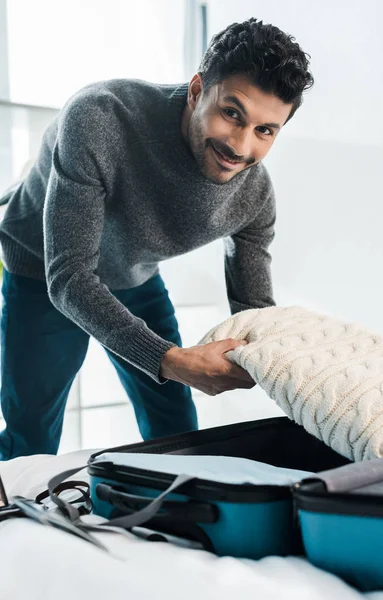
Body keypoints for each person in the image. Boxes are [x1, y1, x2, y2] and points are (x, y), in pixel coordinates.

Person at [0, 18, 313, 459]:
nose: (241, 146)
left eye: (265, 130)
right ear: (196, 90)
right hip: (42, 265)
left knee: (177, 429)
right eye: (231, 113)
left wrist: (299, 365)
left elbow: (255, 314)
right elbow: (69, 277)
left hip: (133, 272)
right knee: (31, 434)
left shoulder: (254, 197)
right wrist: (170, 358)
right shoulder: (99, 117)